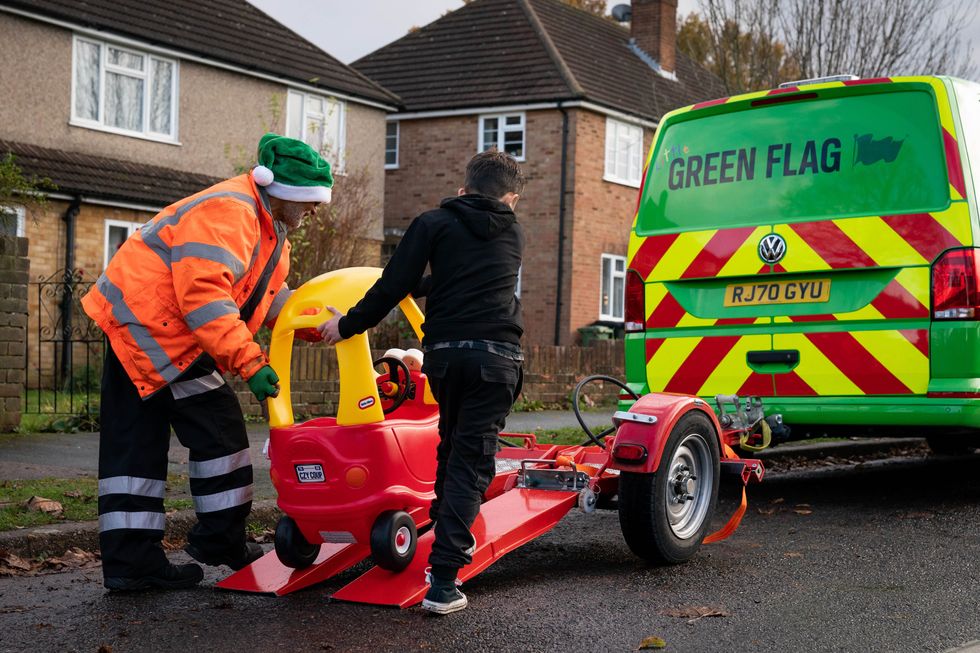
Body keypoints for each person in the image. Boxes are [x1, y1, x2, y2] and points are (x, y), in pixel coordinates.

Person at [82, 133, 332, 591]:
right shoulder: (231, 212)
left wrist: (321, 323)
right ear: (285, 193)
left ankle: (133, 567)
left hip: (154, 332)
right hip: (158, 334)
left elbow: (265, 301)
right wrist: (251, 363)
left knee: (135, 452)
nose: (313, 212)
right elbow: (206, 298)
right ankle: (218, 540)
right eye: (310, 201)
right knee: (220, 433)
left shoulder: (264, 226)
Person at [319, 149, 525, 614]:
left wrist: (346, 324)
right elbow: (462, 276)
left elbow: (396, 284)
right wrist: (415, 286)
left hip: (447, 357)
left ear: (461, 190)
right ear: (510, 199)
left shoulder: (433, 223)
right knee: (469, 464)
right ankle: (445, 582)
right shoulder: (514, 230)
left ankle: (439, 540)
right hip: (496, 357)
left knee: (452, 449)